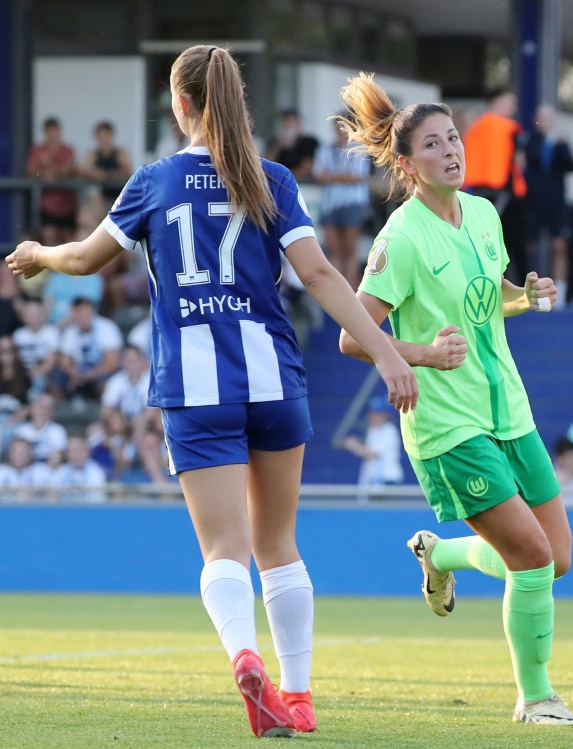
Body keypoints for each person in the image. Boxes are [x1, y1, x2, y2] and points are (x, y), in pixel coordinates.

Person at [6, 46, 417, 739]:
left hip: (197, 388)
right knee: (279, 542)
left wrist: (36, 255)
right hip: (272, 377)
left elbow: (81, 258)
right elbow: (319, 274)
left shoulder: (154, 182)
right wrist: (383, 353)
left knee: (225, 548)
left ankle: (243, 654)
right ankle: (299, 694)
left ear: (181, 104)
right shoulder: (273, 179)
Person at [336, 72, 573, 726]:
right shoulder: (402, 238)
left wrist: (525, 295)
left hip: (510, 411)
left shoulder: (483, 213)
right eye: (435, 144)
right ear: (407, 164)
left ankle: (440, 554)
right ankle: (536, 698)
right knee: (530, 557)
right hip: (449, 428)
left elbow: (489, 295)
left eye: (455, 138)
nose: (452, 150)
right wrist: (418, 354)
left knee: (555, 558)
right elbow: (351, 335)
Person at [462, 89, 528, 280]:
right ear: (497, 102)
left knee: (482, 242)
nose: (513, 107)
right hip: (505, 193)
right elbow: (519, 161)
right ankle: (522, 289)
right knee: (513, 244)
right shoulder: (510, 128)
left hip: (476, 192)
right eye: (510, 102)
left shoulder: (475, 127)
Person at [522, 104, 573, 302]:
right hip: (534, 203)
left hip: (556, 203)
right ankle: (532, 289)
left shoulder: (560, 141)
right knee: (531, 245)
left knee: (559, 245)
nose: (544, 122)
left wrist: (562, 146)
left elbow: (572, 166)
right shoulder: (529, 141)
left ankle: (559, 290)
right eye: (540, 118)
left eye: (547, 118)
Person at [313, 118, 372, 290]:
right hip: (330, 204)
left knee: (349, 249)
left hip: (351, 203)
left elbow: (357, 177)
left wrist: (332, 176)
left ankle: (349, 288)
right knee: (333, 250)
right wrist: (342, 176)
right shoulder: (325, 149)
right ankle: (336, 288)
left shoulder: (358, 149)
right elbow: (320, 176)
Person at [25, 117, 77, 245]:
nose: (53, 135)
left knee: (69, 240)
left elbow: (68, 168)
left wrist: (50, 166)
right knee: (49, 237)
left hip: (68, 205)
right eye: (50, 131)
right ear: (45, 132)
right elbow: (30, 171)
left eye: (55, 131)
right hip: (47, 205)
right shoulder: (38, 150)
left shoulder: (67, 149)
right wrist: (44, 173)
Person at [342, 396, 404, 488]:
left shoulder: (389, 430)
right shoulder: (372, 431)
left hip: (387, 480)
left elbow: (373, 453)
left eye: (376, 413)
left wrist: (354, 445)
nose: (371, 416)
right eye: (370, 413)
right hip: (374, 481)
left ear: (385, 415)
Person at [79, 121, 134, 203]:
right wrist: (92, 174)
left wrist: (106, 175)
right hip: (98, 197)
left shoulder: (121, 153)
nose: (103, 139)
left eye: (106, 135)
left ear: (111, 135)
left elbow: (127, 171)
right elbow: (82, 172)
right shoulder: (92, 155)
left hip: (119, 196)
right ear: (96, 137)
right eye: (101, 136)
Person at [265, 109, 319, 180]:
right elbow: (266, 166)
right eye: (284, 121)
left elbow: (308, 168)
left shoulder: (309, 142)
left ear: (299, 123)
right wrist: (277, 147)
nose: (286, 125)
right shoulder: (275, 143)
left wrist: (284, 178)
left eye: (290, 122)